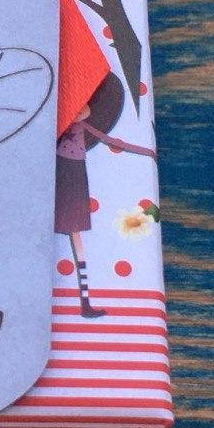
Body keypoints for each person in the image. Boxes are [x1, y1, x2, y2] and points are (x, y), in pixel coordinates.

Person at [55, 73, 156, 318]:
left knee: (75, 235)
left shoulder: (82, 126)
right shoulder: (56, 126)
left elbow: (109, 139)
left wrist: (145, 152)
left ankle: (84, 301)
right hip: (59, 173)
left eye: (86, 101)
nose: (82, 107)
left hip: (75, 176)